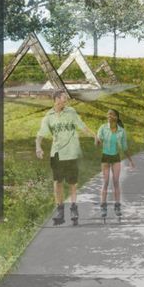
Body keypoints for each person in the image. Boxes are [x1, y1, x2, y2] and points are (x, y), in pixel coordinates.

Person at [35, 89, 92, 226]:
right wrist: (38, 147)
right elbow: (40, 134)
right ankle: (60, 212)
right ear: (56, 100)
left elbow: (82, 126)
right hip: (57, 154)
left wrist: (94, 136)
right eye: (63, 99)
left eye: (66, 99)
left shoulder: (71, 112)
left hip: (71, 153)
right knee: (57, 182)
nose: (65, 101)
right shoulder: (49, 116)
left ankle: (73, 210)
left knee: (73, 183)